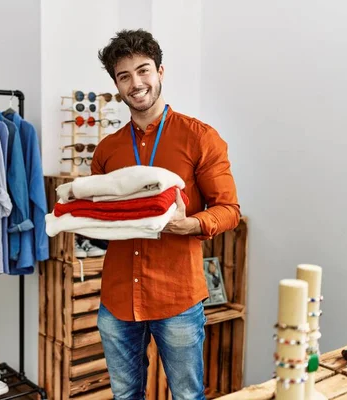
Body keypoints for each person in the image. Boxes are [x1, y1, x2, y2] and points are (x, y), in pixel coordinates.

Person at [91, 29, 241, 400]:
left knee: (187, 396)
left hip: (177, 296)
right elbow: (97, 218)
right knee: (125, 395)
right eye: (124, 76)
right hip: (117, 298)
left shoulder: (199, 138)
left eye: (143, 71)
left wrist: (188, 223)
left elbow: (229, 211)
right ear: (116, 85)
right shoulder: (107, 150)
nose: (136, 83)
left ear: (160, 71)